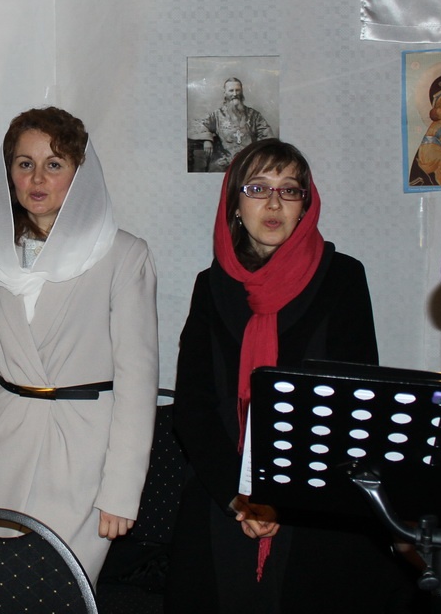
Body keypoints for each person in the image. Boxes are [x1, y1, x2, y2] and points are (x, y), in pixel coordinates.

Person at [168, 139, 410, 613]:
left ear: (306, 204)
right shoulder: (211, 286)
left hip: (317, 496)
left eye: (290, 190)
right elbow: (194, 407)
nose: (274, 203)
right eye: (258, 188)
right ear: (234, 203)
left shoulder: (342, 278)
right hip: (226, 491)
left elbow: (354, 404)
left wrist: (283, 496)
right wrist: (240, 498)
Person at [0, 106, 159, 583]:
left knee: (61, 592)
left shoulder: (124, 256)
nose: (38, 178)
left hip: (83, 458)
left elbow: (137, 384)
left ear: (79, 173)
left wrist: (121, 492)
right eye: (25, 163)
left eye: (54, 163)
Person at [192, 78, 275, 171]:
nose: (235, 94)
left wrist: (257, 154)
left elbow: (267, 135)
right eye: (231, 90)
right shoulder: (217, 115)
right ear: (225, 93)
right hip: (223, 162)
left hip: (249, 161)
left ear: (242, 92)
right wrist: (207, 139)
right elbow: (199, 125)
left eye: (237, 90)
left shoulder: (254, 115)